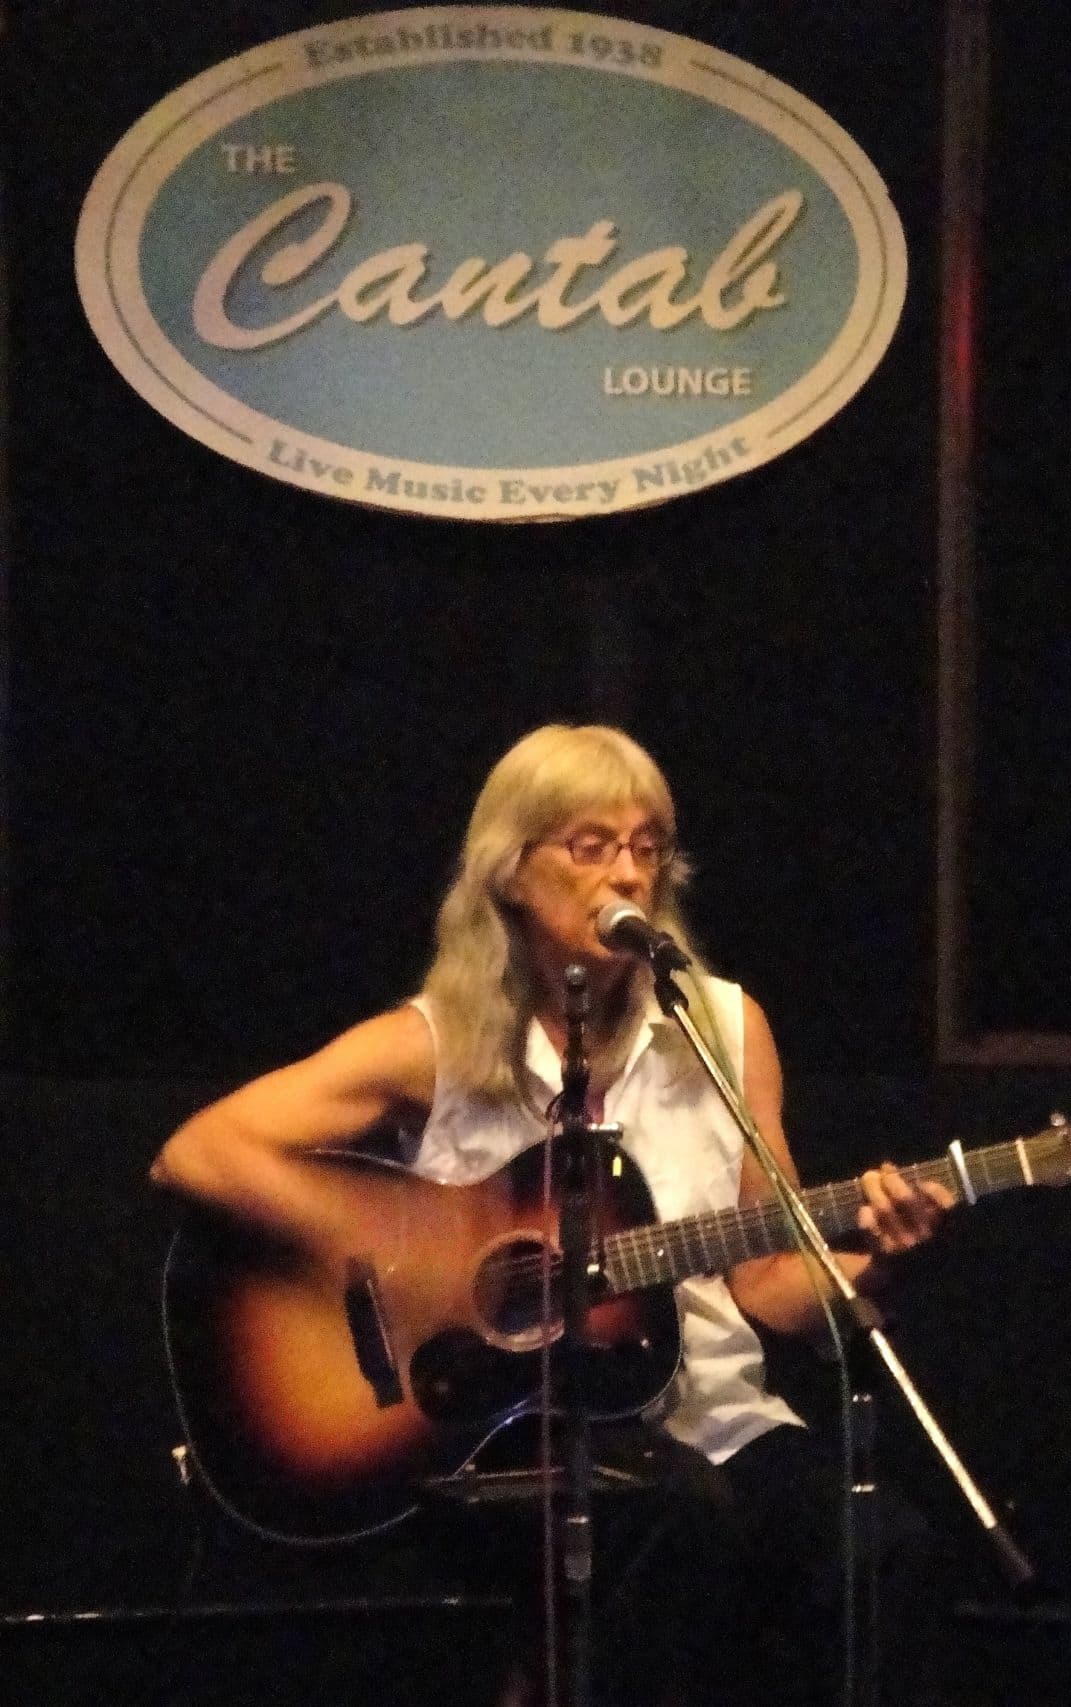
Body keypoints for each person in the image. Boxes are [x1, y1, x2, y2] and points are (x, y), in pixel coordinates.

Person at [152, 723, 955, 1707]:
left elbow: (767, 1289)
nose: (627, 871)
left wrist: (871, 1259)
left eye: (646, 845)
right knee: (679, 1529)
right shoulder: (432, 1044)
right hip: (503, 1429)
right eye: (589, 845)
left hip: (710, 1414)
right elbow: (199, 1153)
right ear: (509, 873)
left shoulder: (726, 1030)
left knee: (883, 1548)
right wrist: (421, 1248)